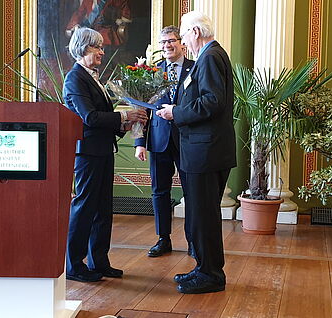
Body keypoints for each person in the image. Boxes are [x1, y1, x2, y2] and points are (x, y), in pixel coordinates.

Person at [156, 11, 236, 294]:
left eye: (185, 35)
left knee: (204, 214)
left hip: (206, 151)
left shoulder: (210, 57)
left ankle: (211, 275)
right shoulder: (208, 56)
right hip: (203, 149)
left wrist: (175, 112)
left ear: (195, 32)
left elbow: (213, 101)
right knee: (202, 214)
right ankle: (204, 268)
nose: (184, 41)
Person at [63, 27, 147, 282]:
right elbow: (89, 117)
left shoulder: (93, 77)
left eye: (101, 47)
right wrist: (125, 115)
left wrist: (125, 124)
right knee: (85, 207)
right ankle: (75, 266)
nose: (102, 51)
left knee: (103, 209)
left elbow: (101, 119)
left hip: (102, 150)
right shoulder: (74, 78)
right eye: (97, 47)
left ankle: (99, 262)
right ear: (83, 48)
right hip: (87, 154)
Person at [134, 26, 195, 258]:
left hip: (187, 140)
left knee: (191, 192)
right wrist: (140, 141)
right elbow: (141, 109)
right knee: (159, 191)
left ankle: (192, 240)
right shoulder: (152, 73)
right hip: (159, 140)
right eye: (163, 42)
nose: (167, 46)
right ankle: (163, 239)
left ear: (182, 43)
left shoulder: (195, 69)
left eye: (171, 41)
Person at [65, 0, 131, 48]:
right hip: (91, 29)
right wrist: (73, 25)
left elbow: (126, 15)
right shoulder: (88, 1)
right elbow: (79, 13)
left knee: (101, 42)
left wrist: (118, 20)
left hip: (107, 29)